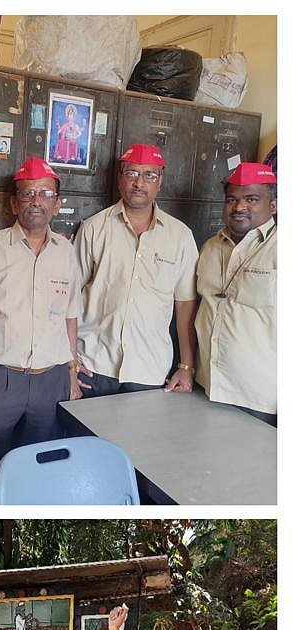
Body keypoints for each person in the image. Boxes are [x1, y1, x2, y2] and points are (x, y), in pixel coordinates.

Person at [0, 156, 83, 504]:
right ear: (14, 203)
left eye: (45, 194)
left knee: (38, 469)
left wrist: (71, 373)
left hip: (50, 380)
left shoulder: (66, 253)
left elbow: (69, 317)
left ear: (57, 204)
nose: (36, 201)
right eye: (28, 194)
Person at [74, 144, 198, 398]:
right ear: (120, 179)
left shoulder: (181, 236)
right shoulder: (93, 229)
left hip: (149, 369)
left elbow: (185, 306)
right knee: (87, 436)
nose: (139, 183)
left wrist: (186, 365)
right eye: (131, 174)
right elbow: (69, 298)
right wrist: (69, 359)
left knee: (138, 438)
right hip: (94, 364)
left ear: (160, 181)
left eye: (149, 175)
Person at [193, 161, 277, 425]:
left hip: (259, 398)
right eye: (232, 199)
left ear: (273, 205)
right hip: (206, 385)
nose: (239, 207)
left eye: (252, 199)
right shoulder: (210, 247)